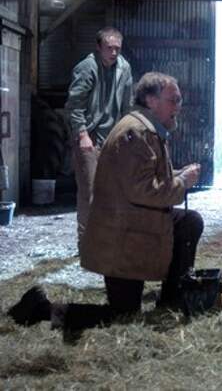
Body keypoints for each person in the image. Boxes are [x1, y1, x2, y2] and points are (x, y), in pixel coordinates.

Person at [8, 72, 203, 331]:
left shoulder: (148, 131)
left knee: (188, 222)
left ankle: (171, 301)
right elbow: (144, 190)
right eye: (173, 100)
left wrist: (178, 175)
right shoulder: (135, 134)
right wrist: (182, 182)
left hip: (135, 228)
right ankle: (42, 309)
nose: (178, 106)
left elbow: (144, 177)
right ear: (151, 100)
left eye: (179, 100)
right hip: (121, 239)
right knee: (122, 316)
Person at [65, 26, 133, 244]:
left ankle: (107, 241)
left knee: (113, 190)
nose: (113, 52)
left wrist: (128, 132)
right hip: (89, 136)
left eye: (117, 48)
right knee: (90, 192)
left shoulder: (124, 67)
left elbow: (128, 105)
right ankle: (86, 243)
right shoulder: (86, 68)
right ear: (98, 47)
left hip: (113, 137)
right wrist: (82, 134)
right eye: (109, 48)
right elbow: (74, 106)